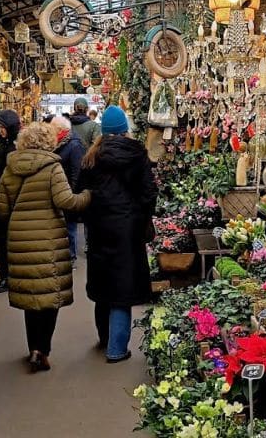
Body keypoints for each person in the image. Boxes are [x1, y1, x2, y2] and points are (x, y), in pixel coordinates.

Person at [0, 123, 91, 371]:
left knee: (30, 297)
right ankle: (43, 349)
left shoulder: (10, 169)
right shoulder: (52, 167)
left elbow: (2, 211)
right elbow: (66, 200)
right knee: (49, 297)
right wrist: (88, 196)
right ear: (49, 142)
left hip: (19, 239)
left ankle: (33, 348)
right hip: (48, 239)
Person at [79, 106, 157, 363]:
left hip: (100, 229)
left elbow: (81, 192)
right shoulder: (137, 155)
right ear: (124, 130)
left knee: (103, 286)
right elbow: (148, 193)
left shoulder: (91, 158)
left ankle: (105, 339)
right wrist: (143, 219)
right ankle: (117, 348)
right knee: (122, 288)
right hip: (128, 230)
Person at [0, 109, 21, 294]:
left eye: (3, 127)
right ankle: (5, 277)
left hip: (14, 202)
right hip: (1, 201)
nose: (0, 131)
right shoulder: (1, 147)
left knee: (13, 241)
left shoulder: (16, 147)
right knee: (2, 239)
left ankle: (14, 276)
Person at [50, 115, 86, 267]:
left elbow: (76, 172)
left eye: (52, 128)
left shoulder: (74, 145)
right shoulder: (60, 143)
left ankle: (70, 255)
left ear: (60, 130)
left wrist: (71, 193)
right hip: (61, 191)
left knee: (69, 225)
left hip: (69, 192)